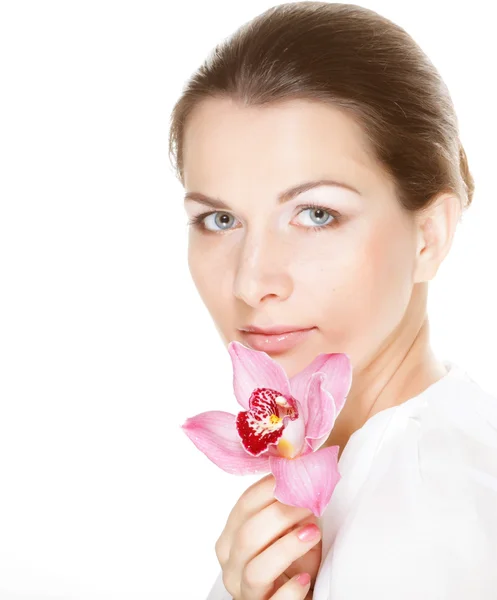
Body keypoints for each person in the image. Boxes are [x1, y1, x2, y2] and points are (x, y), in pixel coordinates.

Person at [169, 2, 497, 598]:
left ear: (429, 237)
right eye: (219, 219)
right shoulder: (387, 464)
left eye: (316, 214)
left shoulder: (424, 514)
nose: (251, 282)